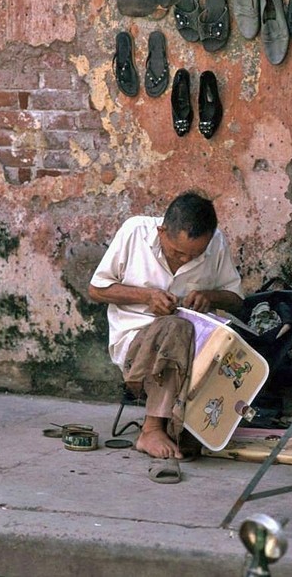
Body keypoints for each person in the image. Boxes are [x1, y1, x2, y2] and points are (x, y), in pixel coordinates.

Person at [88, 191, 244, 462]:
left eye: (195, 256)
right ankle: (151, 429)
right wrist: (147, 296)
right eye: (178, 252)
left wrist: (210, 296)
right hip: (136, 341)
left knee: (225, 339)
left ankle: (187, 426)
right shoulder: (135, 232)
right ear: (162, 231)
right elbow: (97, 289)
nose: (185, 260)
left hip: (194, 347)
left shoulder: (216, 243)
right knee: (176, 328)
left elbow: (237, 300)